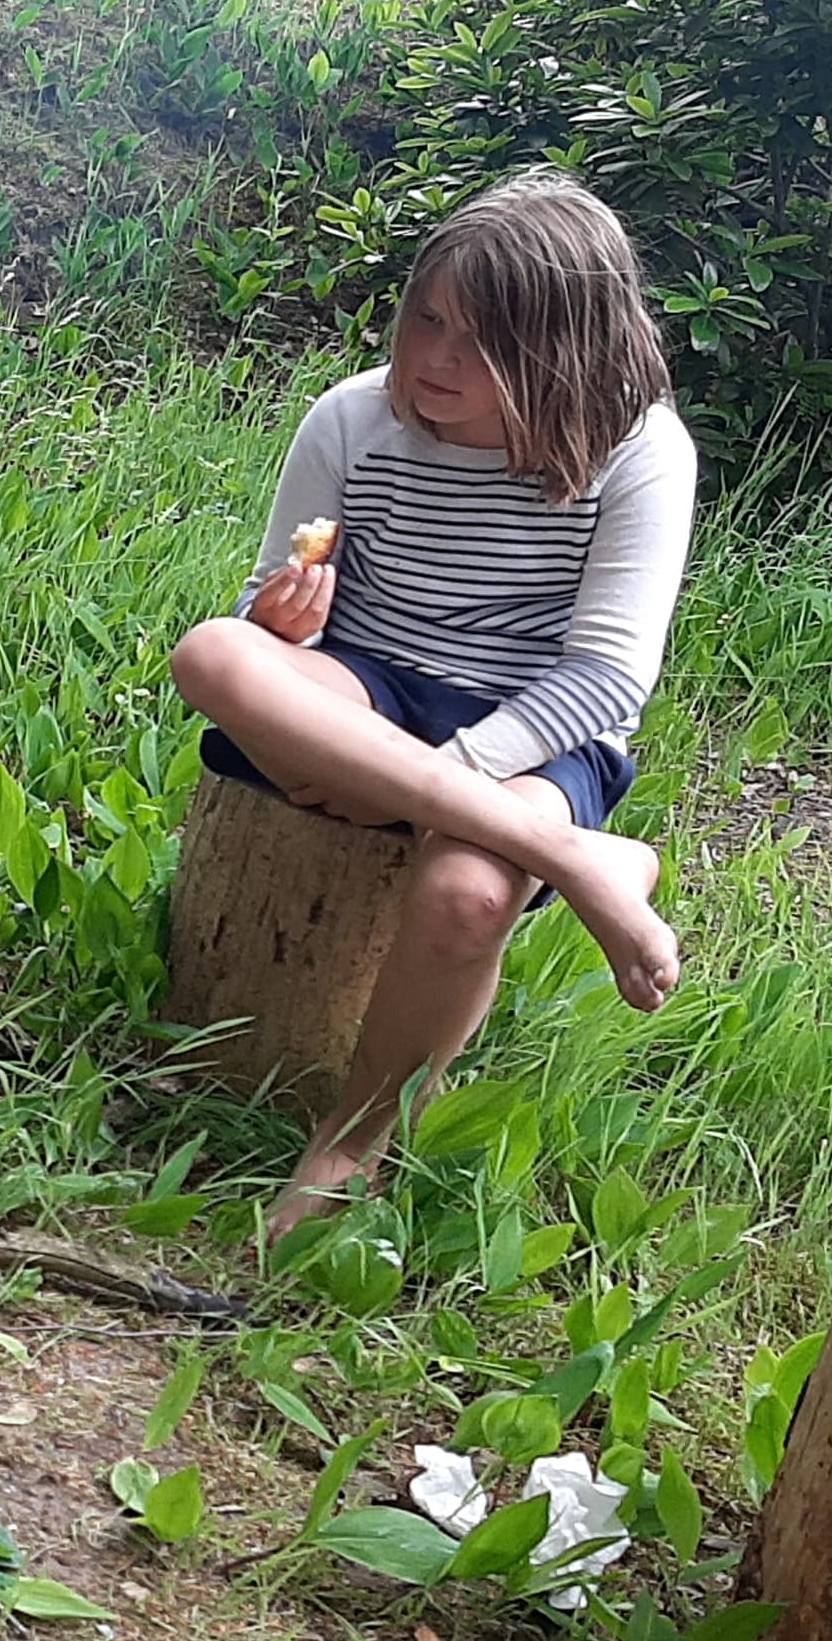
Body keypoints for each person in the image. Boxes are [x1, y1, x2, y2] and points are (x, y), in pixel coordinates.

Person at [167, 170, 695, 1238]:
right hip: (367, 683)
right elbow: (265, 627)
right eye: (426, 318)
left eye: (482, 340)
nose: (434, 358)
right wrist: (283, 619)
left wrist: (444, 784)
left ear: (566, 352)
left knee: (466, 895)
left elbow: (605, 681)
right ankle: (581, 861)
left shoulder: (641, 455)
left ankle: (353, 1141)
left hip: (541, 725)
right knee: (214, 655)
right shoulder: (353, 420)